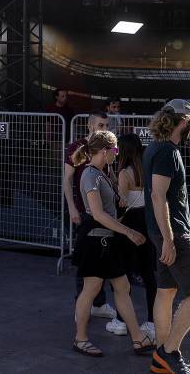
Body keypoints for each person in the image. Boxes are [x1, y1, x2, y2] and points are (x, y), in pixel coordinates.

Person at [72, 130, 154, 359]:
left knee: (122, 288)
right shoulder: (90, 175)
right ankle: (80, 339)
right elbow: (97, 214)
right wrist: (129, 231)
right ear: (106, 150)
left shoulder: (102, 173)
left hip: (107, 241)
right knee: (91, 289)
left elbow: (107, 211)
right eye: (115, 150)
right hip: (96, 242)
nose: (117, 154)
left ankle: (138, 339)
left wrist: (120, 204)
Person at [144, 100, 190, 374]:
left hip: (162, 232)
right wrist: (169, 239)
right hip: (172, 234)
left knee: (166, 291)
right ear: (184, 122)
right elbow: (158, 196)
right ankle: (169, 352)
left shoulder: (157, 148)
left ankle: (163, 358)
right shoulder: (166, 152)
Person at [64, 113, 118, 324]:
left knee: (101, 259)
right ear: (89, 125)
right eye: (100, 125)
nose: (104, 128)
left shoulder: (107, 148)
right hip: (85, 212)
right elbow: (67, 180)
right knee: (85, 262)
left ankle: (98, 303)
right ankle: (85, 305)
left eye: (106, 125)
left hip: (104, 213)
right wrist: (71, 208)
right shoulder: (76, 148)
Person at [117, 132, 157, 341]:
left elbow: (121, 204)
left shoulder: (124, 173)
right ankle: (152, 320)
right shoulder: (145, 169)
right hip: (146, 221)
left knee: (124, 275)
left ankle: (121, 320)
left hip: (130, 225)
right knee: (148, 273)